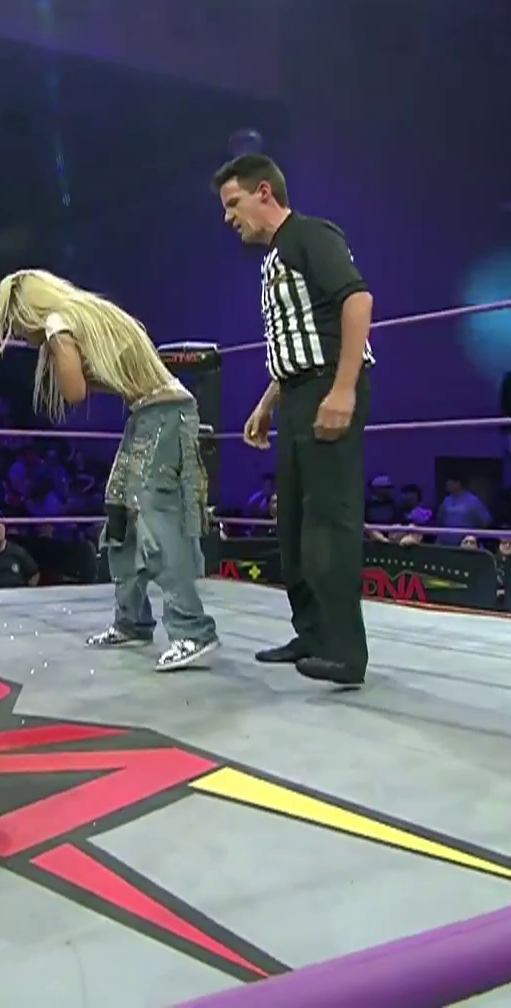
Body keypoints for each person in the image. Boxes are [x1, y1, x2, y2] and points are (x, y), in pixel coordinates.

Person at [0, 269, 221, 671]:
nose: (18, 334)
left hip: (166, 414)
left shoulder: (58, 324)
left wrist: (56, 349)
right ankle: (132, 621)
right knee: (119, 515)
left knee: (154, 518)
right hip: (149, 414)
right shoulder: (78, 317)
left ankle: (193, 630)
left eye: (15, 324)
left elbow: (74, 392)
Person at [214, 153, 372, 686]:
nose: (228, 218)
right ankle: (312, 633)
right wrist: (267, 404)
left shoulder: (310, 235)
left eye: (233, 203)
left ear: (264, 192)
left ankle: (346, 653)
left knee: (330, 519)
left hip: (328, 386)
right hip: (300, 392)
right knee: (294, 526)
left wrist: (343, 389)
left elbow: (357, 301)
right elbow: (297, 343)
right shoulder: (275, 257)